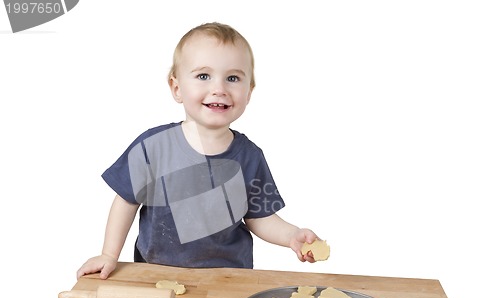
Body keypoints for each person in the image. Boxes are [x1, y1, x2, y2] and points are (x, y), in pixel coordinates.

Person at [77, 22, 321, 280]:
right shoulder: (152, 147)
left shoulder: (250, 157)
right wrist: (108, 254)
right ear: (177, 87)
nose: (219, 88)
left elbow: (259, 217)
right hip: (154, 275)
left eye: (233, 78)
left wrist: (292, 235)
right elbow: (126, 201)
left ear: (249, 92)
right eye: (203, 76)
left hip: (228, 278)